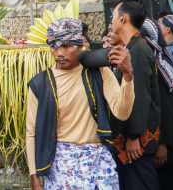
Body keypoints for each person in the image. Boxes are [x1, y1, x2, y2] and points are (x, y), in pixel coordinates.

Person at [26, 17, 135, 190]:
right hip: (62, 165)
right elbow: (31, 131)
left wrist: (128, 77)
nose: (59, 53)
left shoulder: (99, 73)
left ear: (80, 46)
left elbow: (122, 113)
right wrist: (34, 176)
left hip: (99, 160)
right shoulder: (40, 84)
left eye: (66, 46)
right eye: (54, 46)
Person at [108, 0, 161, 190]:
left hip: (137, 142)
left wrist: (133, 136)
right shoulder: (131, 46)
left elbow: (140, 95)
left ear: (123, 19)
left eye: (113, 16)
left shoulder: (137, 49)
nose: (111, 20)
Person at [139, 18, 173, 189]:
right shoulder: (156, 63)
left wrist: (162, 144)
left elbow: (168, 110)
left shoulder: (161, 68)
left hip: (169, 143)